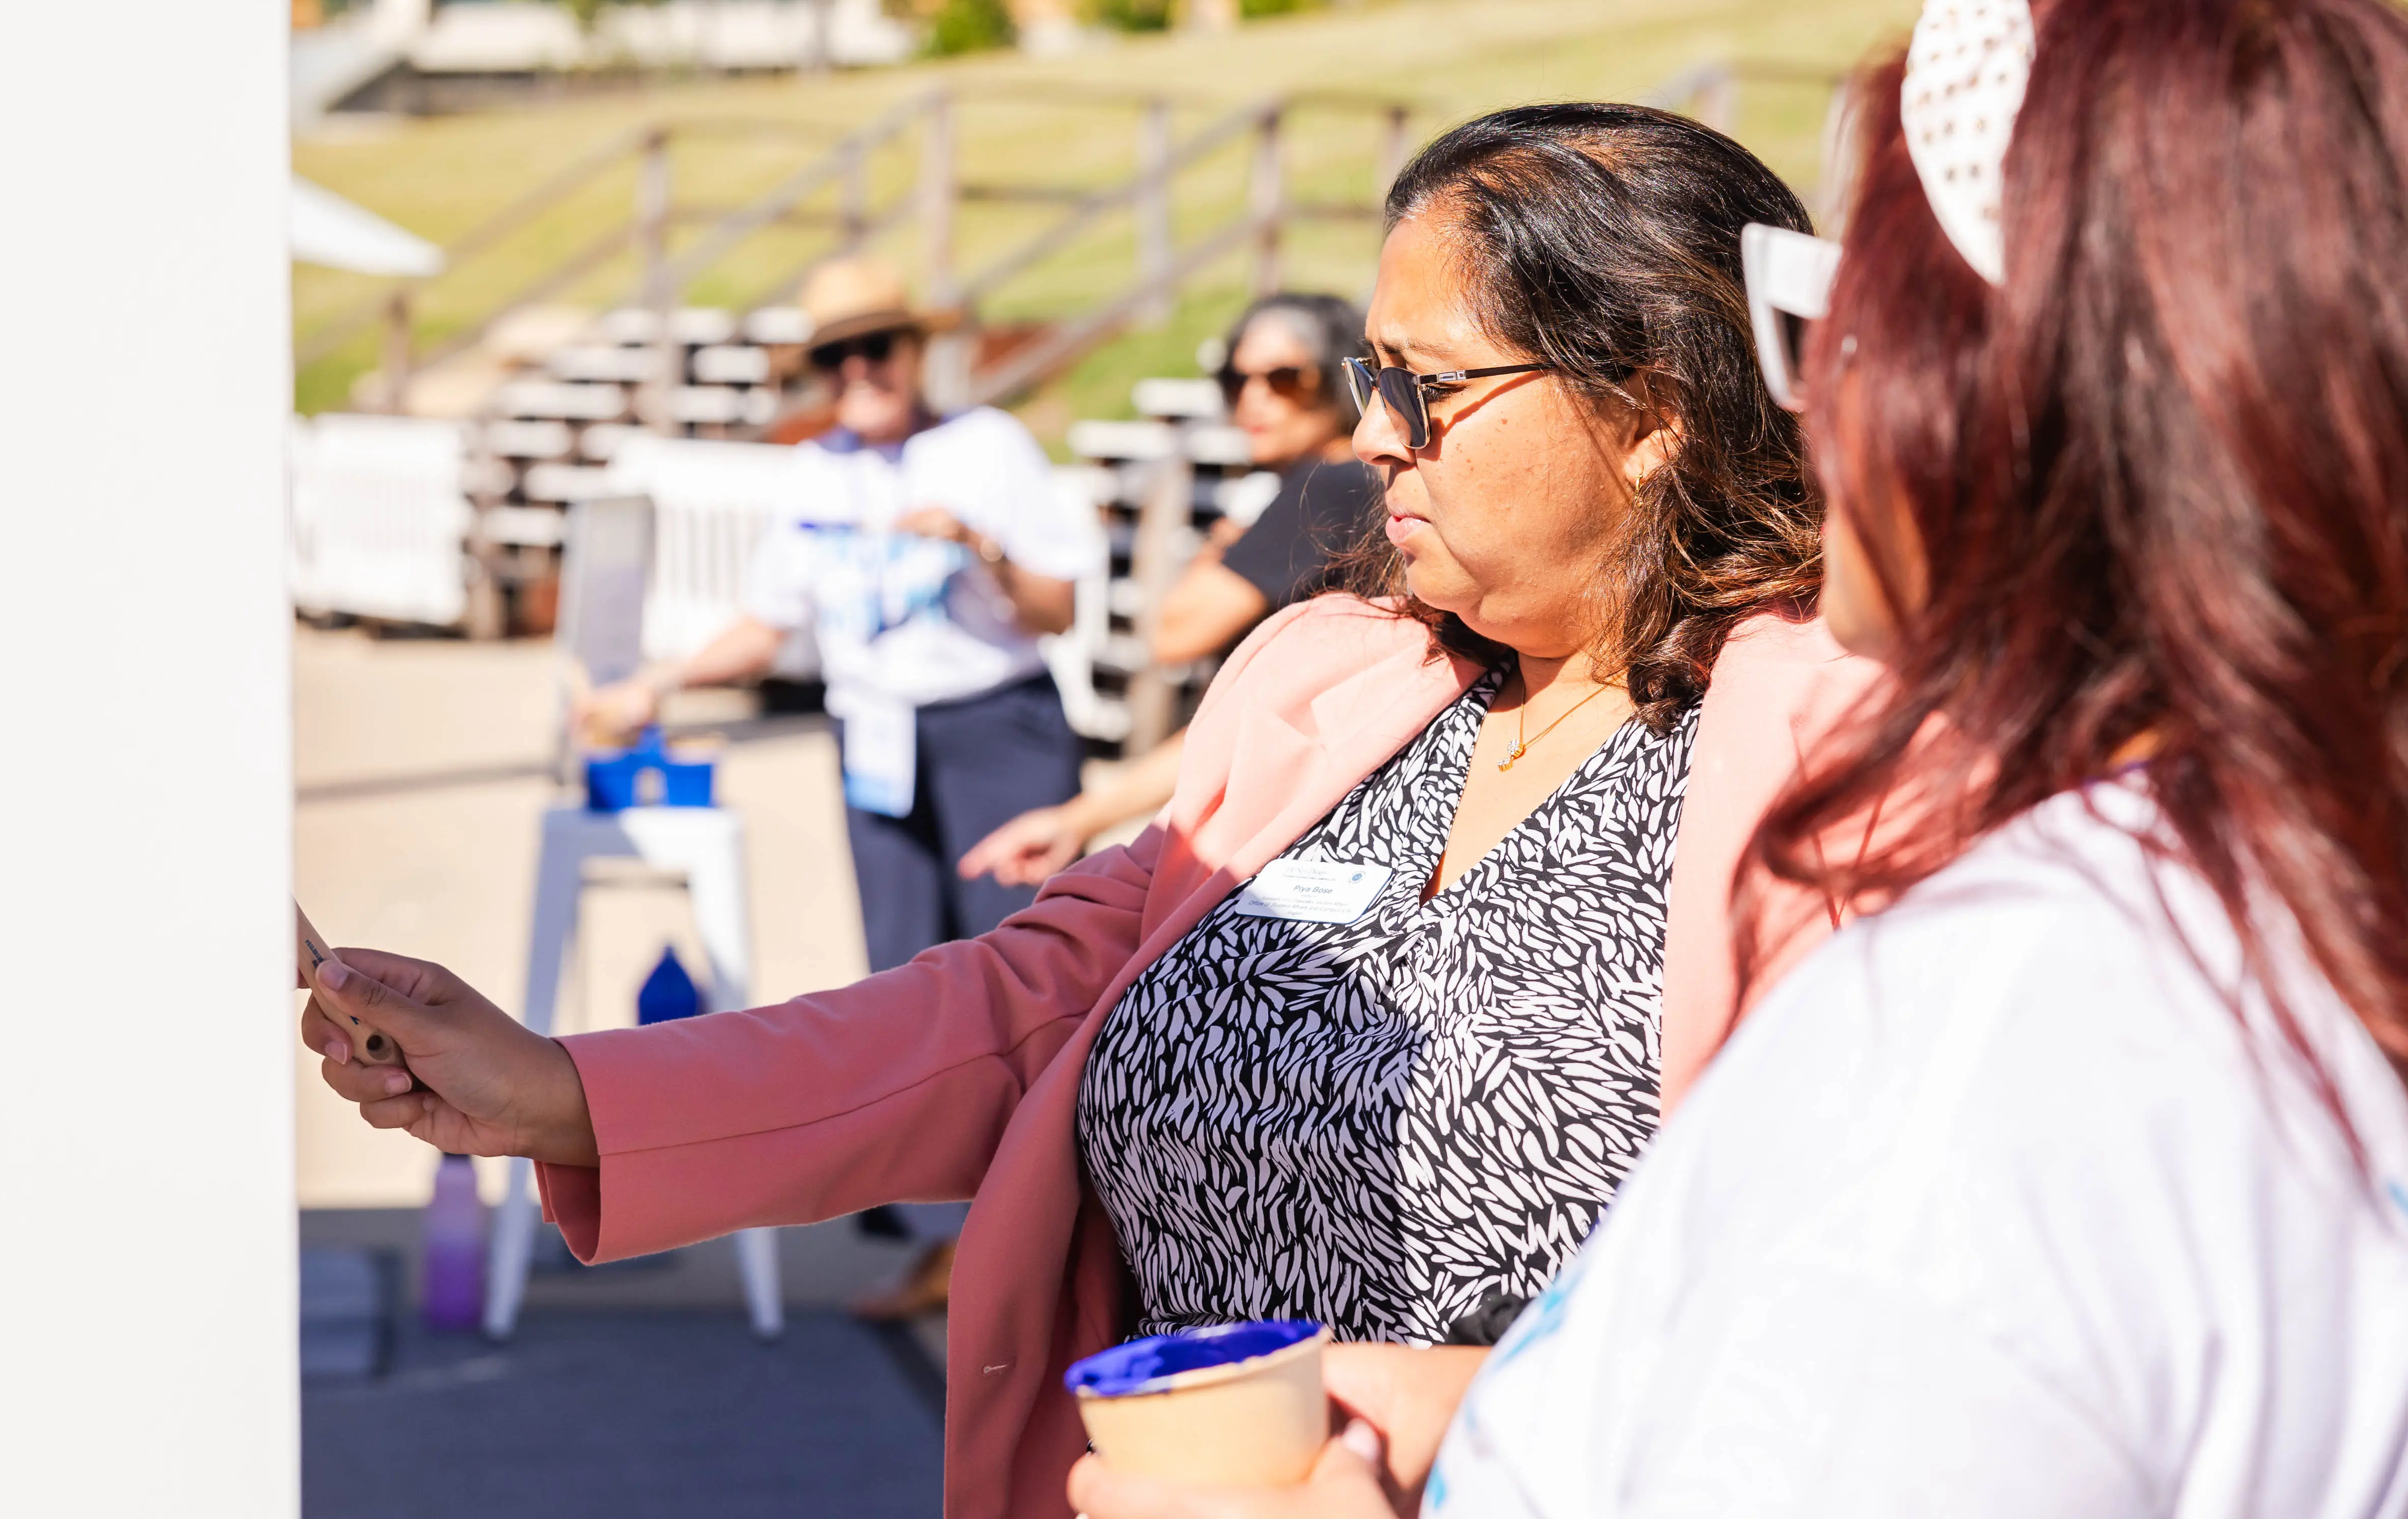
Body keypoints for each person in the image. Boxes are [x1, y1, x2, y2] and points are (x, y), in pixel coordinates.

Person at [301, 104, 1877, 1519]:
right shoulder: (1326, 688)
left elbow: (1864, 1307)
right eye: (1369, 378)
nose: (1376, 433)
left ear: (1653, 402)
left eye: (1435, 386)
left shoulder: (1842, 751)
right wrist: (560, 1093)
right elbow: (1013, 1010)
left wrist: (1435, 1422)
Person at [1072, 0, 2408, 1519]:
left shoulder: (1993, 1038)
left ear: (1990, 406)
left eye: (1842, 322)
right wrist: (1508, 1394)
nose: (1806, 400)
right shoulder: (2288, 903)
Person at [575, 254, 1102, 1316]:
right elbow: (771, 625)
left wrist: (978, 548)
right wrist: (658, 682)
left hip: (994, 728)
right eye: (838, 356)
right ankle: (952, 1240)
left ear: (917, 350)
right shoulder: (815, 473)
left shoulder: (985, 447)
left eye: (880, 347)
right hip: (877, 737)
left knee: (1033, 986)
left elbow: (1054, 607)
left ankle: (1050, 1239)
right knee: (913, 988)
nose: (862, 370)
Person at [960, 291, 1385, 891]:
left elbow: (1174, 633)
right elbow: (1241, 722)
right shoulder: (1361, 487)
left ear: (1341, 379)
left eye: (1286, 378)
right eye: (1236, 379)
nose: (1254, 399)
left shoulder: (1327, 489)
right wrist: (1078, 819)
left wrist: (1219, 549)